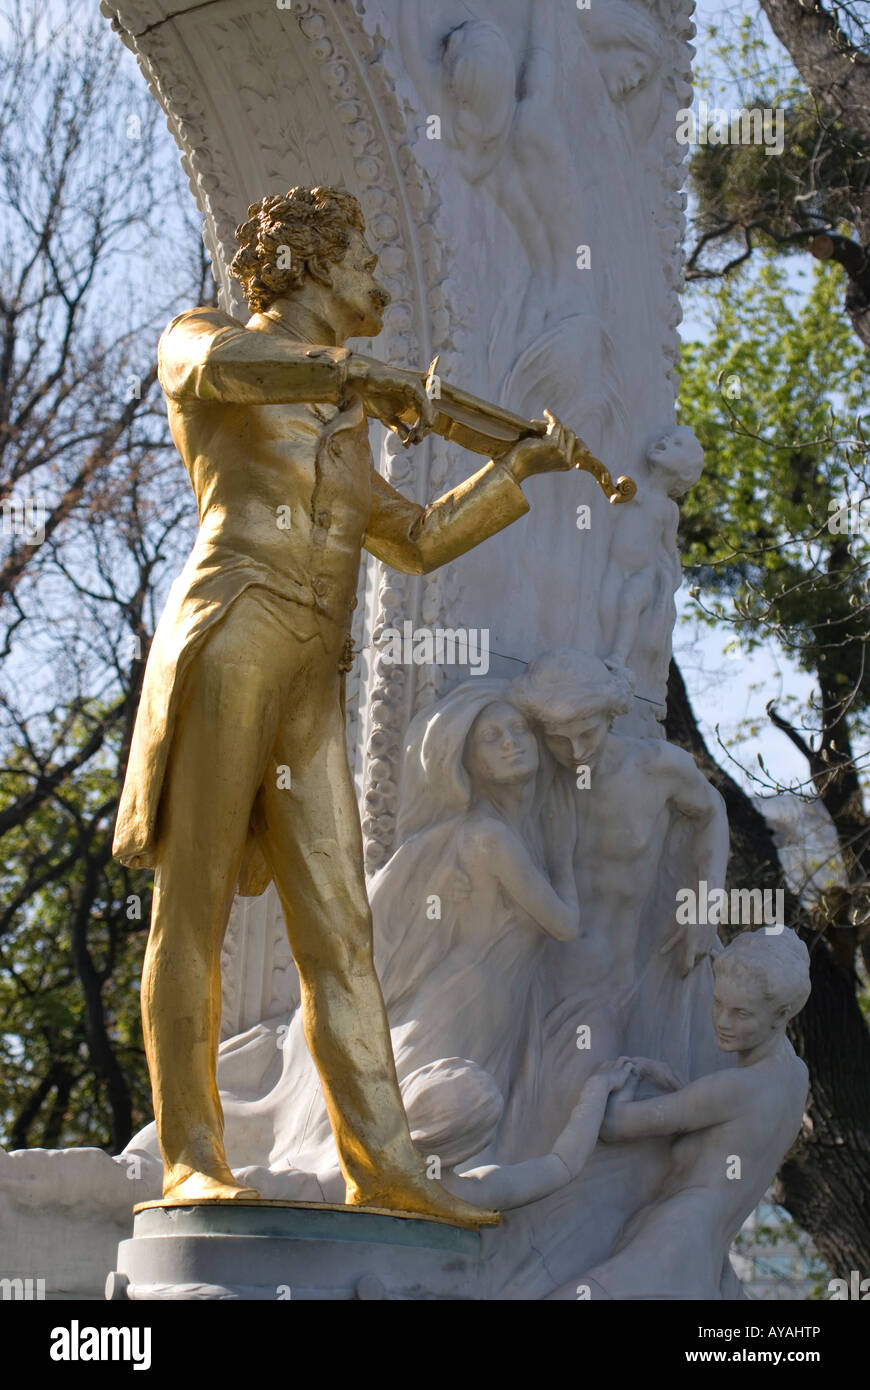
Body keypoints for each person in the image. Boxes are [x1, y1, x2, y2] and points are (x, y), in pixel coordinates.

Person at [112, 185, 579, 1226]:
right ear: (309, 264)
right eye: (364, 256)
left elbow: (411, 537)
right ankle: (191, 1158)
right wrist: (357, 374)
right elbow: (219, 369)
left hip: (311, 683)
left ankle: (385, 1165)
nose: (380, 276)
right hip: (231, 634)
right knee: (187, 915)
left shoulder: (343, 421)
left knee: (343, 936)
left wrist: (515, 470)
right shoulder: (207, 338)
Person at [546, 929, 811, 1299]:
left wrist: (600, 1083)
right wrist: (682, 1093)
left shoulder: (732, 1089)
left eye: (741, 1013)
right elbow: (724, 1127)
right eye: (717, 1003)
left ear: (782, 1013)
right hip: (708, 1256)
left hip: (674, 1236)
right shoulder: (795, 1079)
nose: (722, 1021)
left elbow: (611, 1125)